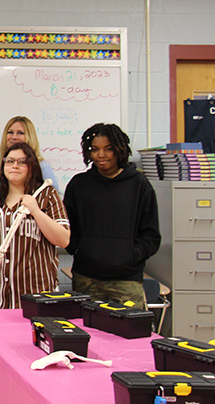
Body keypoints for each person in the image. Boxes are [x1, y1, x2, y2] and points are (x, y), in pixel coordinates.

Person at [64, 123, 160, 308]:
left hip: (126, 280)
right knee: (87, 333)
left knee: (130, 334)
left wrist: (131, 256)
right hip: (86, 279)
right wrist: (80, 250)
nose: (101, 155)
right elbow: (68, 227)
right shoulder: (79, 184)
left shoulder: (139, 185)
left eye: (108, 149)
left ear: (120, 148)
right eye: (95, 149)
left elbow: (151, 234)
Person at [0, 142, 70, 309]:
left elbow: (63, 240)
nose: (15, 166)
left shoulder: (47, 195)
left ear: (31, 166)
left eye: (22, 162)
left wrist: (36, 211)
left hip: (39, 294)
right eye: (10, 161)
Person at [0, 116, 59, 189]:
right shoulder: (2, 164)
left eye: (20, 133)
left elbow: (53, 194)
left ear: (30, 137)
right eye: (10, 132)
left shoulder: (42, 165)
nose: (14, 137)